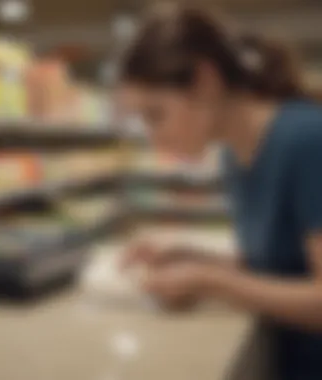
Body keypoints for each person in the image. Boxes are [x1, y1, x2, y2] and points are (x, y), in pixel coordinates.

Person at [118, 3, 322, 380]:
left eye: (156, 114)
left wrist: (210, 281)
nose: (152, 135)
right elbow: (275, 268)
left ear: (205, 81)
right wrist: (190, 258)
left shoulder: (306, 140)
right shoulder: (233, 155)